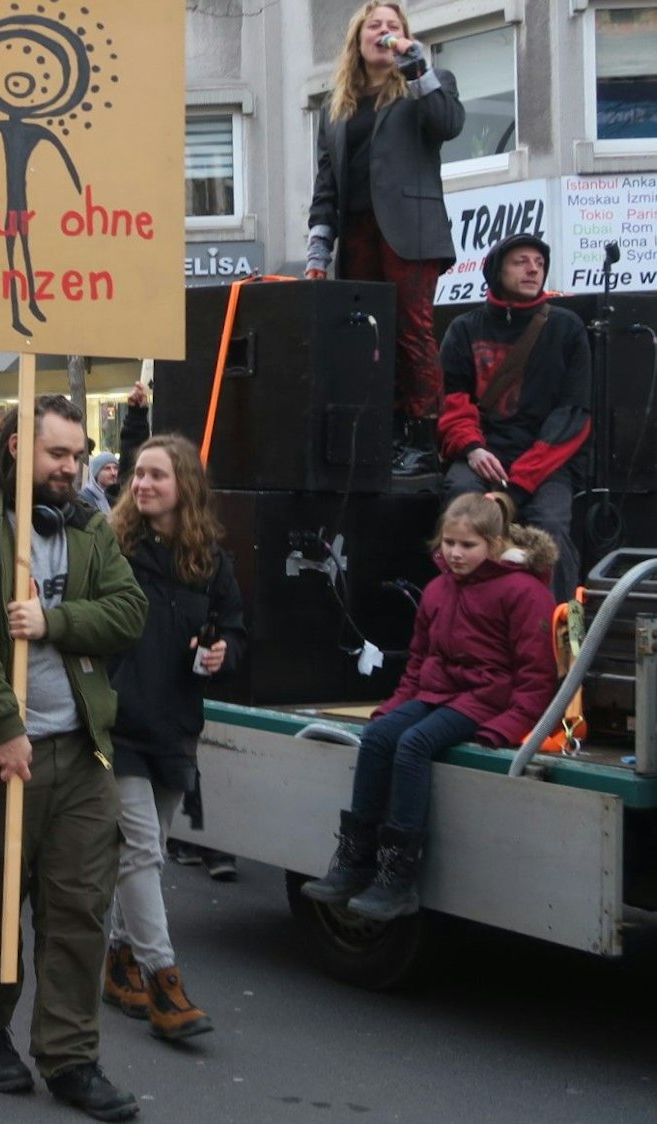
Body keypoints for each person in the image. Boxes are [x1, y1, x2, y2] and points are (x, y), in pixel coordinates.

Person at [0, 394, 147, 1119]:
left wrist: (52, 620)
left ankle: (69, 1056)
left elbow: (127, 613)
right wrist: (0, 724)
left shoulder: (89, 528)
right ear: (19, 448)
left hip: (80, 749)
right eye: (58, 454)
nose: (72, 467)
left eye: (78, 455)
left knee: (80, 903)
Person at [302, 492, 556, 921]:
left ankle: (398, 877)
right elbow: (420, 661)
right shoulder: (439, 589)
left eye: (468, 545)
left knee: (415, 744)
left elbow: (537, 675)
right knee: (379, 735)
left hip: (484, 700)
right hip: (439, 692)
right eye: (449, 544)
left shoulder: (524, 592)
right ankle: (353, 858)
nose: (455, 554)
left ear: (495, 545)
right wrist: (395, 706)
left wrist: (507, 727)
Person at [97, 436, 246, 1043]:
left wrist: (221, 652)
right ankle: (164, 980)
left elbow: (236, 630)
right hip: (118, 720)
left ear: (184, 484)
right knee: (140, 849)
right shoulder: (109, 545)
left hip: (175, 724)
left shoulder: (209, 557)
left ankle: (117, 958)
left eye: (157, 475)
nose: (143, 484)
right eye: (138, 474)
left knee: (150, 846)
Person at [306, 2, 466, 469]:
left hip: (410, 232)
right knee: (366, 335)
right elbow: (326, 184)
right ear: (358, 41)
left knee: (411, 331)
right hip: (356, 232)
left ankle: (422, 439)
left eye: (393, 25)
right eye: (374, 25)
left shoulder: (427, 84)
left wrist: (416, 66)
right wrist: (319, 248)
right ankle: (384, 430)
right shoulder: (334, 107)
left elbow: (449, 124)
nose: (384, 30)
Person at [436, 233, 590, 601]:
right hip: (483, 453)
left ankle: (556, 633)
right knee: (460, 507)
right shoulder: (464, 328)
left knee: (551, 526)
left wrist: (519, 485)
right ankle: (461, 616)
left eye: (539, 263)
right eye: (521, 261)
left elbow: (572, 416)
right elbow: (452, 403)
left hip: (545, 460)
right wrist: (472, 448)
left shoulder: (567, 328)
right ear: (496, 271)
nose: (533, 269)